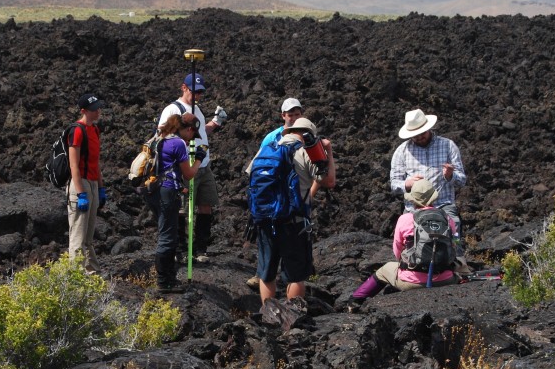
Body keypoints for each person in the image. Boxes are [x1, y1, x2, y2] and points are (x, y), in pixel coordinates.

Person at [247, 96, 333, 287]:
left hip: (265, 218)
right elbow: (328, 180)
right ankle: (294, 314)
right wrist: (329, 153)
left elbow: (250, 175)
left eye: (296, 114)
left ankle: (267, 313)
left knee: (267, 275)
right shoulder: (305, 152)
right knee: (295, 276)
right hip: (293, 220)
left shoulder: (268, 146)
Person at [349, 178, 463, 305]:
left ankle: (355, 301)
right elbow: (455, 245)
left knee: (383, 271)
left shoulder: (405, 219)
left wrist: (406, 264)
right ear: (434, 198)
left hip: (412, 282)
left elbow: (397, 249)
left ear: (414, 200)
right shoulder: (447, 218)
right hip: (445, 280)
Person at [158, 73, 227, 262]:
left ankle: (200, 249)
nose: (197, 95)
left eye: (200, 92)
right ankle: (180, 250)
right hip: (186, 165)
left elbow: (199, 132)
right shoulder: (173, 109)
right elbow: (163, 135)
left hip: (204, 165)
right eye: (194, 91)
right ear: (184, 88)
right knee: (184, 208)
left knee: (206, 205)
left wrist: (215, 123)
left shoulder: (197, 109)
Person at [389, 108, 467, 233]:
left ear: (429, 128)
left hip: (443, 205)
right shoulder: (401, 151)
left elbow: (462, 180)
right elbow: (394, 184)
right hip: (414, 208)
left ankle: (456, 252)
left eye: (422, 133)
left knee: (454, 233)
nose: (420, 137)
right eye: (415, 135)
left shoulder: (448, 146)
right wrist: (407, 184)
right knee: (405, 238)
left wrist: (450, 176)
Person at [148, 113, 203, 293]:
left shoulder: (159, 138)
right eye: (192, 135)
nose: (191, 139)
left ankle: (167, 278)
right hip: (167, 191)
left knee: (165, 232)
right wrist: (199, 159)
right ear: (187, 129)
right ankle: (165, 282)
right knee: (167, 236)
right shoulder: (178, 143)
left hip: (153, 190)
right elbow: (189, 174)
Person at [67, 93, 104, 275]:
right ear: (83, 111)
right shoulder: (77, 130)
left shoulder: (94, 130)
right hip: (79, 183)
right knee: (78, 236)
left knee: (88, 236)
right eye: (93, 109)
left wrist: (101, 186)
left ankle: (92, 272)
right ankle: (75, 277)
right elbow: (73, 164)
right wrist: (81, 193)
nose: (98, 111)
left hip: (92, 183)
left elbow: (95, 162)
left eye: (98, 107)